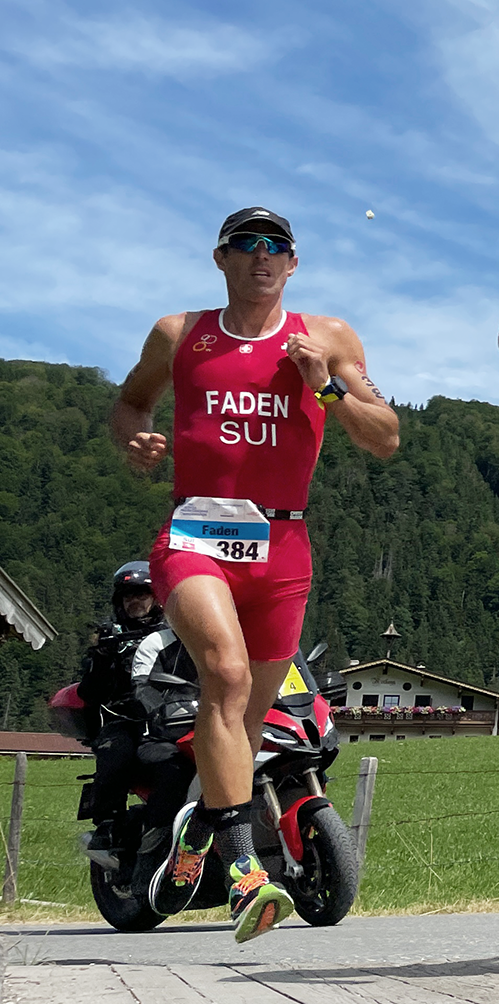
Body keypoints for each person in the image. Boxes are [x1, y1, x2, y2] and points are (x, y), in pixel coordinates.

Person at [110, 207, 399, 943]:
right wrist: (134, 441)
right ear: (221, 258)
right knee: (227, 679)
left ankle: (196, 831)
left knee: (245, 720)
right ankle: (244, 875)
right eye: (247, 245)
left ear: (293, 265)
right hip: (195, 531)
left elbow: (386, 438)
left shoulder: (328, 338)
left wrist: (324, 387)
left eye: (277, 247)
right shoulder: (179, 333)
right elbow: (132, 401)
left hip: (282, 542)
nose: (262, 257)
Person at [75, 562, 169, 826]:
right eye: (129, 595)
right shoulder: (109, 639)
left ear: (156, 598)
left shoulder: (175, 634)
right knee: (117, 753)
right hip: (126, 719)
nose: (135, 601)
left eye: (141, 594)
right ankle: (107, 825)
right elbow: (88, 693)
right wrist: (102, 660)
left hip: (173, 717)